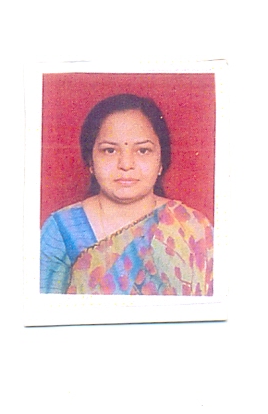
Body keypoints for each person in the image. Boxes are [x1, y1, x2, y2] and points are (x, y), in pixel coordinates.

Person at [40, 93, 213, 295]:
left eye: (143, 150)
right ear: (90, 161)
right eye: (110, 151)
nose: (126, 164)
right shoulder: (62, 230)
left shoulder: (192, 228)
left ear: (161, 161)